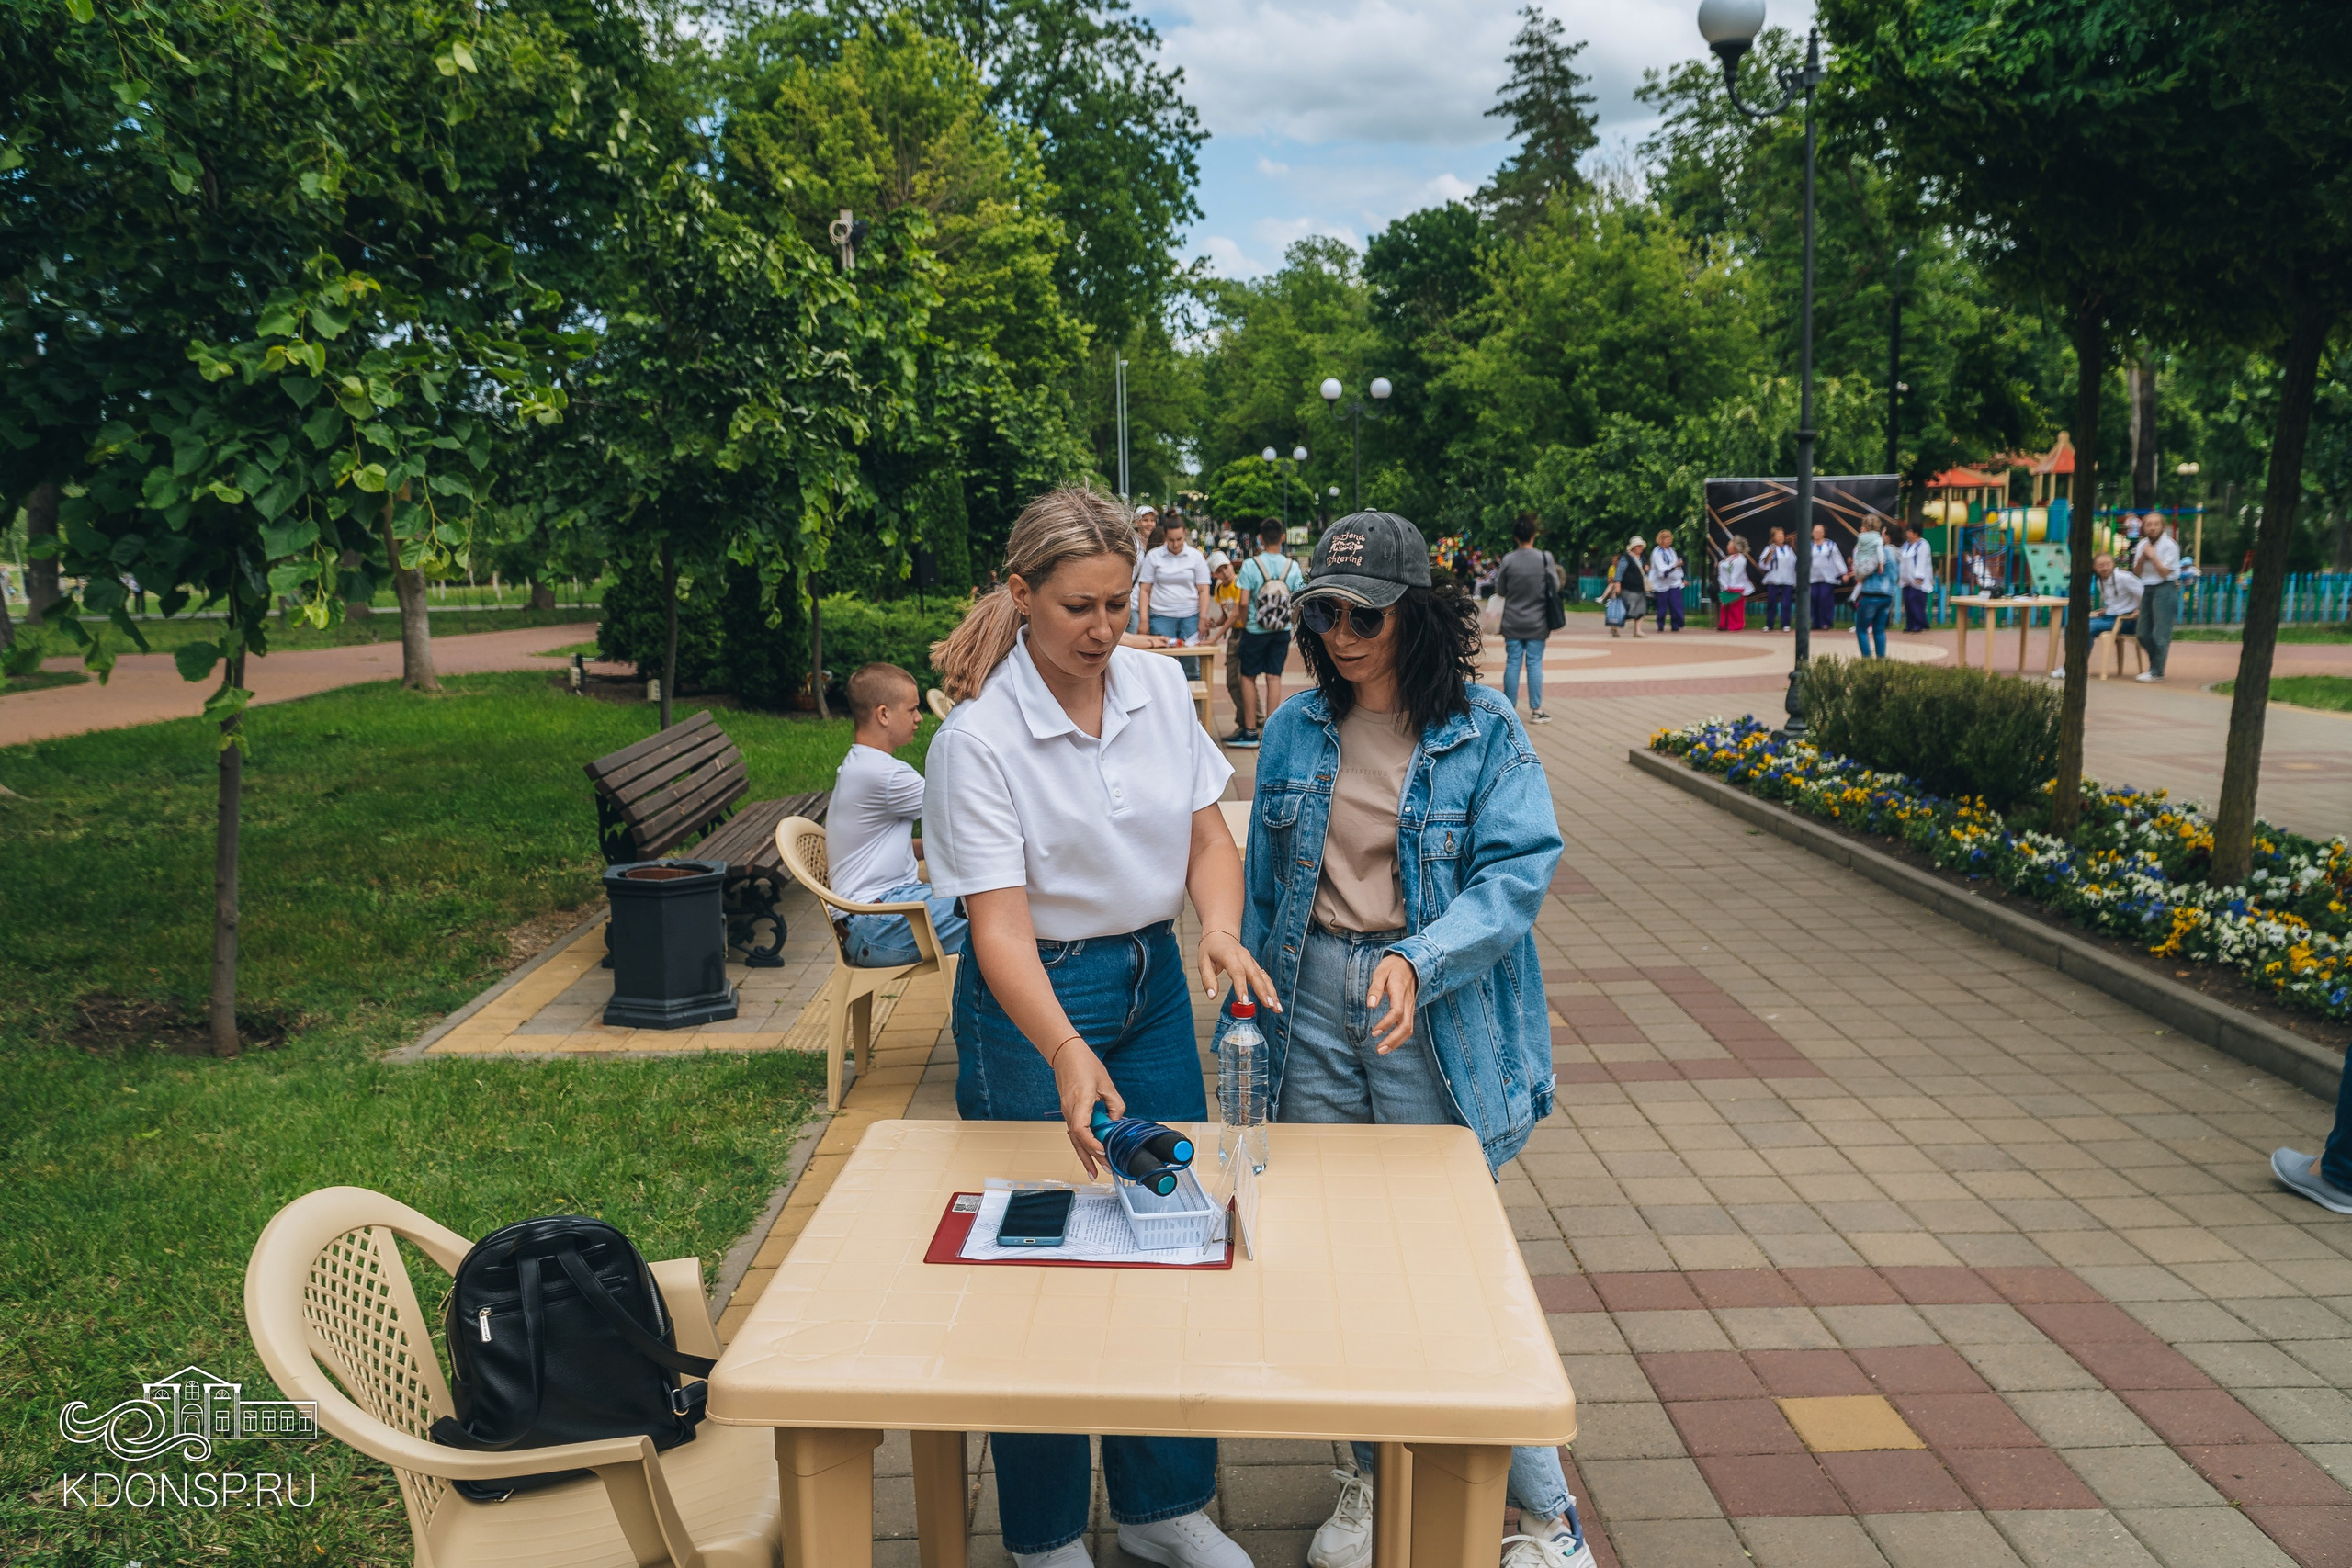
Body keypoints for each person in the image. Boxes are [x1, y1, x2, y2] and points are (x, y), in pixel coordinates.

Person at [1223, 511, 1591, 1568]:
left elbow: (1516, 875)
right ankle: (1371, 1479)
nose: (1340, 634)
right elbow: (1263, 893)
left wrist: (1418, 959)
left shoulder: (1484, 729)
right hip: (1310, 999)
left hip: (1432, 1002)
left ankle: (1545, 1518)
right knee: (1334, 1255)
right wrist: (1241, 1018)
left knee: (1452, 1266)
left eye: (1364, 615)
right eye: (1323, 614)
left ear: (1418, 617)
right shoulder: (1297, 727)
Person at [923, 488, 1273, 1568]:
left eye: (1120, 604)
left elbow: (1207, 837)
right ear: (1020, 594)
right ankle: (1040, 1535)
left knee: (1169, 1225)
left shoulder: (1158, 692)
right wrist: (1065, 1049)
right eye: (1080, 606)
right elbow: (999, 931)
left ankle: (1164, 1506)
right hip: (1037, 999)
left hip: (1153, 982)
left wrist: (1215, 927)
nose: (1104, 630)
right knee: (1036, 1259)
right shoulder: (978, 743)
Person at [827, 664, 970, 966]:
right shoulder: (886, 775)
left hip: (869, 919)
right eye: (912, 709)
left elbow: (881, 846)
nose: (919, 719)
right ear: (883, 714)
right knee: (999, 913)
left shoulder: (861, 764)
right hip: (876, 924)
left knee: (996, 909)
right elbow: (963, 806)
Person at [1230, 518, 1306, 748]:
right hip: (1280, 631)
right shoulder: (1292, 567)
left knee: (1248, 676)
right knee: (1274, 677)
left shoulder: (1251, 565)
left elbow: (1243, 602)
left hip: (1255, 630)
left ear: (1260, 538)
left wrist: (1245, 623)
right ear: (1282, 538)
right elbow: (1299, 602)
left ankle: (1250, 732)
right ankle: (1270, 734)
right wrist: (1290, 623)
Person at [1493, 513, 1559, 724]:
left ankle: (1509, 709)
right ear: (1533, 535)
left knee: (1512, 662)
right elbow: (1555, 586)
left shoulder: (1508, 559)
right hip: (1538, 622)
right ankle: (1536, 710)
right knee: (1534, 663)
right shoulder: (1544, 558)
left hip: (1512, 621)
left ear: (1515, 537)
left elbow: (1500, 590)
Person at [2048, 553, 2142, 677]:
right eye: (2101, 565)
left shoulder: (2124, 578)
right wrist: (2106, 609)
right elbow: (2115, 601)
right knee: (2072, 626)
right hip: (2110, 617)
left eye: (2108, 564)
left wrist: (2140, 610)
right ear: (2095, 568)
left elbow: (2145, 593)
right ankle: (2070, 662)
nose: (2105, 568)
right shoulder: (2100, 581)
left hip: (2127, 620)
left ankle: (2078, 666)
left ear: (2113, 564)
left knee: (2087, 628)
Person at [2132, 513, 2181, 682]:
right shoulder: (2142, 545)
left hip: (2165, 589)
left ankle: (2156, 671)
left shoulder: (2170, 546)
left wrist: (2153, 556)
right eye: (2148, 525)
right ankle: (2156, 663)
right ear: (2144, 528)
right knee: (2142, 633)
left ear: (2162, 526)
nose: (2152, 528)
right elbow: (2137, 573)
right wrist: (2142, 558)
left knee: (2160, 633)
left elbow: (2164, 573)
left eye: (2156, 524)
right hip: (2147, 588)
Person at [1850, 524, 1896, 658]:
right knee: (1879, 629)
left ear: (1887, 537)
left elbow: (1868, 568)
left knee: (1861, 629)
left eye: (1882, 533)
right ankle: (1881, 660)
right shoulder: (1896, 553)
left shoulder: (1881, 551)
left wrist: (1859, 575)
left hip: (1871, 593)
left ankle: (1867, 660)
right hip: (1888, 595)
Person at [1896, 521, 1935, 634]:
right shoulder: (1906, 545)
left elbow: (1921, 562)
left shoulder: (1923, 545)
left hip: (1918, 579)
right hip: (1906, 579)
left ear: (1916, 533)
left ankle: (1919, 624)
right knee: (1907, 600)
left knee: (1915, 600)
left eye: (1910, 531)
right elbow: (1900, 556)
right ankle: (1910, 624)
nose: (1908, 533)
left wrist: (1919, 576)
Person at [1604, 537, 1647, 638]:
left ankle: (1637, 630)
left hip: (1639, 588)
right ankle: (1614, 626)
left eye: (1641, 546)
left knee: (1641, 610)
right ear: (1633, 547)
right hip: (1628, 587)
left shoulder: (1642, 558)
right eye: (1639, 546)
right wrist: (1617, 583)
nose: (1641, 548)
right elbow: (1620, 571)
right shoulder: (1626, 558)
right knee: (1625, 609)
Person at [1808, 522, 1848, 632]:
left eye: (1820, 531)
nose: (1817, 533)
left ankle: (1826, 622)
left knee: (1825, 598)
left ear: (1824, 533)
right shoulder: (1808, 545)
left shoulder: (1830, 545)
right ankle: (1815, 622)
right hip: (1812, 577)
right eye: (1815, 531)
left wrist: (1843, 573)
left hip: (1827, 577)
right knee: (1814, 598)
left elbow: (1837, 559)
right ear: (1812, 533)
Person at [1645, 528, 1686, 632]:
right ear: (1661, 540)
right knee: (1662, 606)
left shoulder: (1672, 551)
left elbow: (1676, 566)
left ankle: (1676, 625)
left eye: (1669, 538)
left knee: (1676, 604)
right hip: (1661, 583)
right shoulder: (1657, 552)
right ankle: (1660, 624)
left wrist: (1680, 578)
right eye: (1666, 538)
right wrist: (1674, 566)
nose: (1668, 540)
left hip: (1673, 582)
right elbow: (1662, 570)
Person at [1758, 526, 1795, 632]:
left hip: (1787, 578)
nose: (1781, 537)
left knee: (1786, 602)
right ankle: (1769, 624)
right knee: (1772, 602)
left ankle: (1785, 624)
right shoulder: (1769, 548)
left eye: (1782, 535)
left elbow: (1794, 562)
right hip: (1774, 578)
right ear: (1773, 537)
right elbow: (1763, 564)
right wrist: (1769, 555)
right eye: (1778, 536)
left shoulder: (1789, 549)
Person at [1716, 536, 1755, 631]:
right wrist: (1724, 586)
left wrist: (1731, 587)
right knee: (1724, 607)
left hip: (1736, 587)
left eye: (1730, 544)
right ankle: (1724, 624)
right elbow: (1722, 572)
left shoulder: (1740, 559)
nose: (1728, 546)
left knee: (1735, 608)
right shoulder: (1727, 558)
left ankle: (1735, 625)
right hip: (1726, 586)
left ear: (1736, 546)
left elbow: (1736, 574)